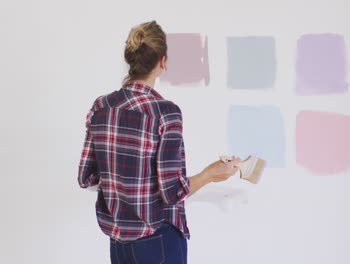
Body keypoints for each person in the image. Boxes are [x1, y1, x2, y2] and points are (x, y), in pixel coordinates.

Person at [77, 20, 241, 264]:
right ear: (162, 61)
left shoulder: (101, 107)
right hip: (159, 241)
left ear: (129, 59)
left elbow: (86, 178)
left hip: (118, 245)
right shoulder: (165, 113)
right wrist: (211, 173)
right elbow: (172, 192)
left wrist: (120, 175)